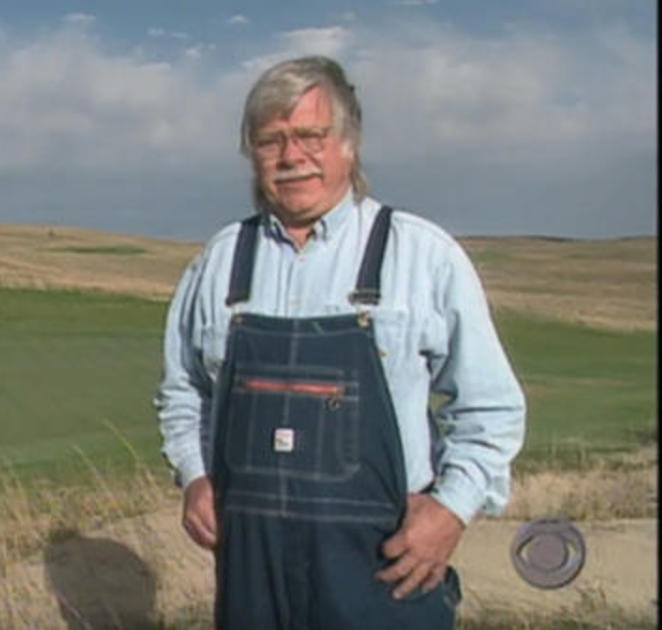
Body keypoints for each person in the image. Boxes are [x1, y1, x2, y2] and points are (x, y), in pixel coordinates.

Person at [154, 55, 526, 629]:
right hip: (253, 572)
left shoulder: (422, 256)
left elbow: (491, 409)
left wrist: (451, 511)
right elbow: (183, 391)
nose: (291, 156)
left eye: (310, 135)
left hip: (383, 568)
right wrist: (195, 476)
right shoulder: (220, 262)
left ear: (349, 145)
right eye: (271, 140)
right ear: (252, 155)